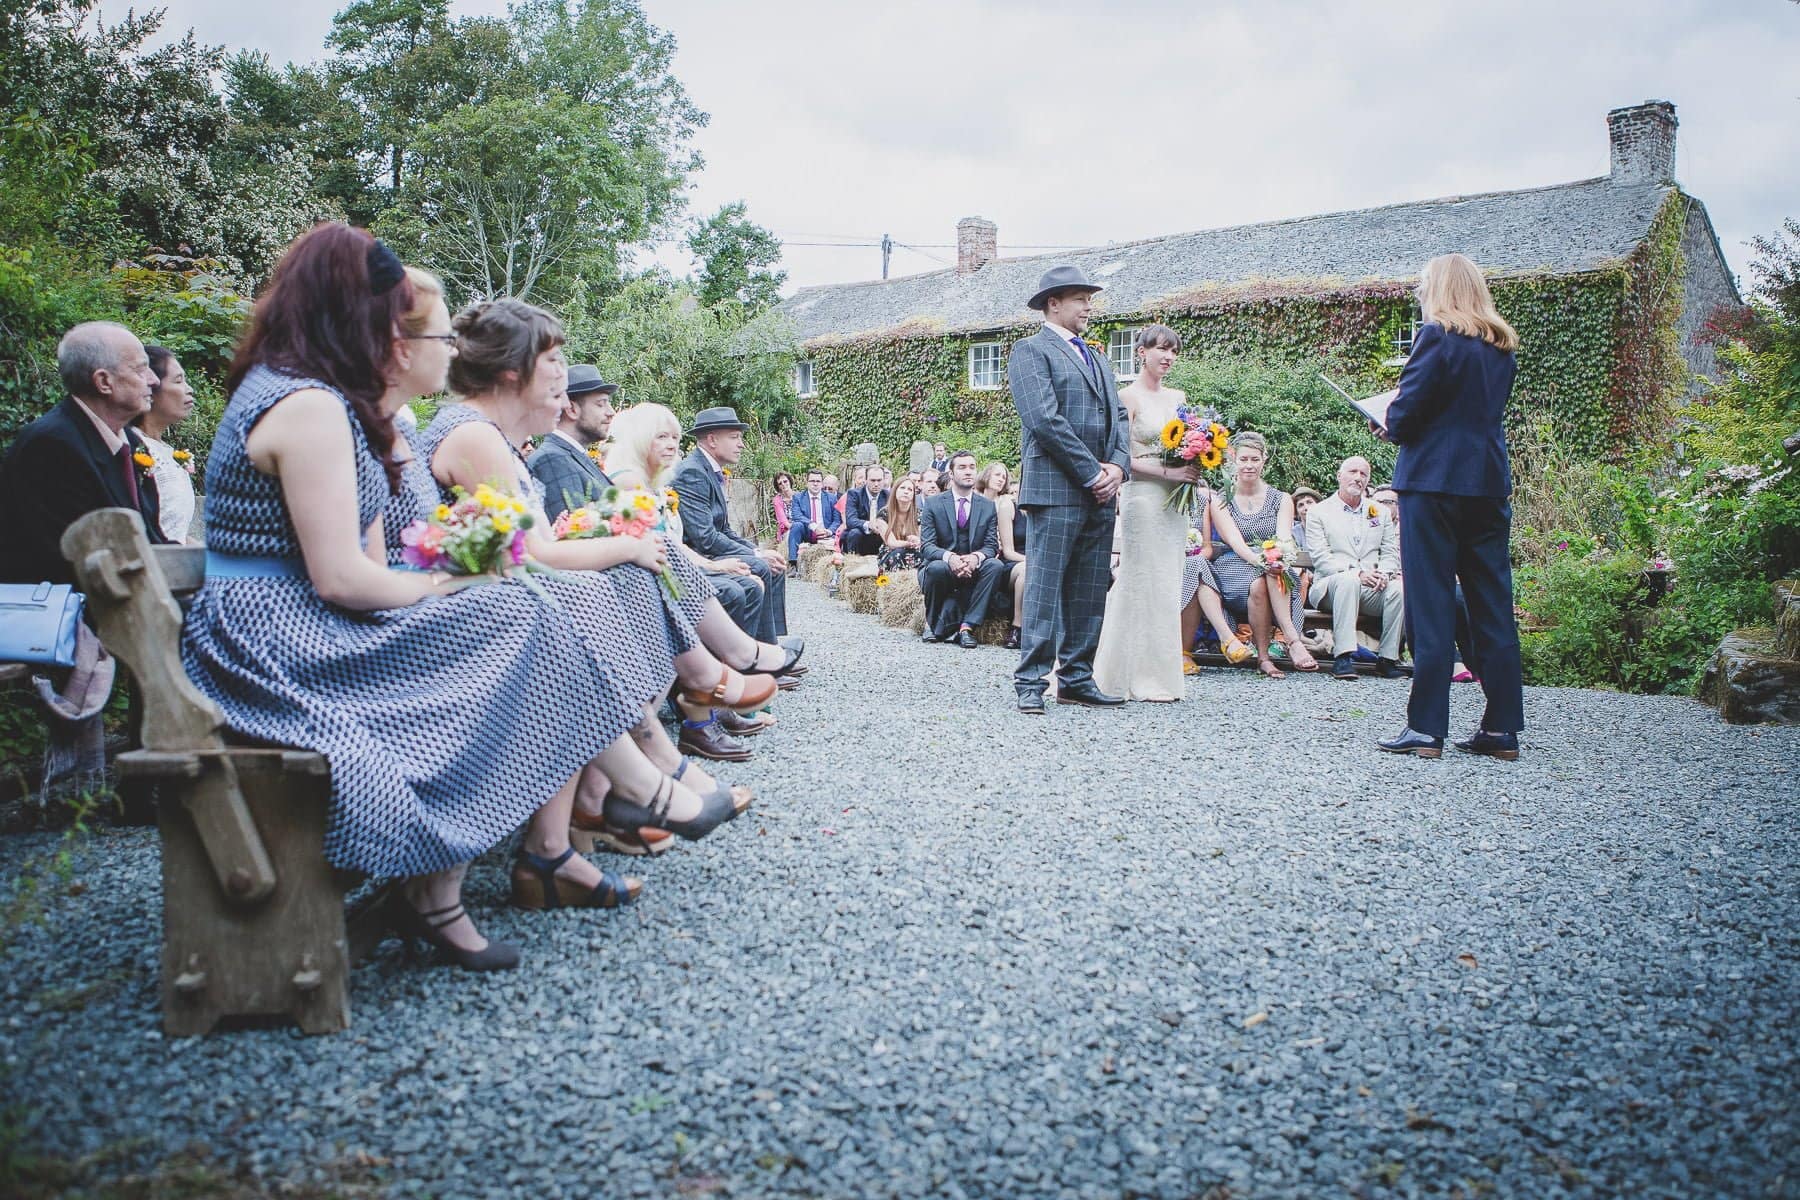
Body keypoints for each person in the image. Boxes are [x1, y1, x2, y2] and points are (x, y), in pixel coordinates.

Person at [181, 225, 686, 972]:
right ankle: (629, 787)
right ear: (372, 323)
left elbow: (373, 565)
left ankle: (478, 872)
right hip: (278, 647)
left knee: (524, 606)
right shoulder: (310, 408)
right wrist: (457, 580)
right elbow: (342, 579)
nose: (434, 344)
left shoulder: (325, 400)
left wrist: (457, 580)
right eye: (423, 327)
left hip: (303, 626)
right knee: (520, 609)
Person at [414, 298, 796, 766]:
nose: (561, 376)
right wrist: (626, 542)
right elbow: (535, 549)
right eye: (553, 361)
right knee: (627, 578)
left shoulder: (488, 436)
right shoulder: (480, 435)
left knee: (643, 564)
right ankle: (687, 713)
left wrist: (628, 540)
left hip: (501, 573)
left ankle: (685, 715)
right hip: (470, 592)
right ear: (515, 371)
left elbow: (537, 540)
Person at [1376, 252, 1526, 761]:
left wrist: (1389, 421)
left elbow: (1410, 409)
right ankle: (1502, 729)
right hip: (1485, 482)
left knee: (1430, 602)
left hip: (1433, 482)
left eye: (1423, 284)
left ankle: (1426, 729)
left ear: (1439, 288)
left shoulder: (1436, 335)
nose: (1419, 291)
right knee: (1492, 603)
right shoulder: (1501, 344)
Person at [605, 402, 778, 738]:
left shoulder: (651, 482)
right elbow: (685, 541)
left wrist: (725, 561)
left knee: (746, 578)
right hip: (638, 577)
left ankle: (726, 685)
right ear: (641, 440)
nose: (672, 445)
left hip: (662, 568)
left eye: (675, 437)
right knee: (737, 585)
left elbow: (675, 543)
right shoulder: (629, 483)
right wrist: (716, 564)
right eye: (661, 437)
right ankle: (730, 674)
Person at [1006, 265, 1131, 713]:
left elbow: (1120, 417)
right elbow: (1043, 420)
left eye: (1089, 298)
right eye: (1081, 298)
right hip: (1058, 490)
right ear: (1053, 304)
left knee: (1089, 589)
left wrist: (1117, 467)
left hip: (1101, 492)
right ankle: (1030, 682)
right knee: (1043, 587)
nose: (1089, 306)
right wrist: (1091, 473)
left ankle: (1077, 678)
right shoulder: (1030, 351)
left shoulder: (1097, 357)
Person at [0, 322, 170, 584]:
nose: (154, 380)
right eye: (140, 369)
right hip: (69, 611)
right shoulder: (50, 446)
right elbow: (69, 561)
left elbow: (152, 537)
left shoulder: (131, 442)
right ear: (104, 381)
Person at [1092, 325, 1195, 702]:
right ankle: (1115, 673)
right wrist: (1171, 472)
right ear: (1141, 352)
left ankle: (1160, 677)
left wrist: (1197, 461)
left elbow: (1187, 443)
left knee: (1167, 582)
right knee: (1138, 579)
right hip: (1144, 496)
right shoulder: (1127, 397)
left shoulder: (1179, 397)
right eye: (1160, 350)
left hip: (1175, 500)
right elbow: (1120, 458)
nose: (1167, 357)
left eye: (1173, 351)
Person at [1198, 432, 1320, 679]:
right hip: (1235, 564)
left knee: (1266, 580)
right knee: (1263, 577)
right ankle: (1292, 640)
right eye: (1244, 459)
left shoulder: (1281, 499)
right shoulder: (1222, 500)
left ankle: (1265, 657)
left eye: (1255, 459)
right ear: (1233, 460)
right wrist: (1262, 562)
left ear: (1264, 460)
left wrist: (1276, 558)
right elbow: (1235, 541)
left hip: (1271, 564)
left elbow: (1284, 537)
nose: (1249, 465)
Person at [671, 406, 790, 643]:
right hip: (698, 557)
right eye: (734, 437)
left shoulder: (709, 470)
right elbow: (705, 537)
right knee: (761, 566)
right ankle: (760, 655)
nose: (742, 444)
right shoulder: (692, 473)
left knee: (773, 564)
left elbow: (723, 529)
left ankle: (772, 643)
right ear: (713, 440)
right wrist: (755, 555)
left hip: (708, 551)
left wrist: (758, 551)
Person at [1303, 456, 1407, 681]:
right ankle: (1343, 656)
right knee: (1348, 580)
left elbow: (1390, 553)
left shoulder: (1379, 512)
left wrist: (1385, 575)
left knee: (1399, 590)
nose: (1358, 478)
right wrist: (1357, 572)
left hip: (1369, 587)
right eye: (1353, 472)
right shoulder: (1319, 512)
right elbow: (1322, 559)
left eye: (1363, 474)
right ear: (1339, 476)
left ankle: (1387, 659)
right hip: (1329, 586)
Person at [918, 450, 1007, 647]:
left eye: (972, 467)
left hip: (974, 567)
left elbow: (991, 545)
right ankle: (932, 624)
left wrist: (976, 558)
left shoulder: (987, 506)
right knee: (935, 568)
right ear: (951, 474)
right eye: (962, 467)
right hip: (944, 567)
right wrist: (950, 558)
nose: (968, 472)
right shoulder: (934, 504)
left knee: (995, 566)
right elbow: (927, 546)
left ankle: (967, 627)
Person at [525, 363, 618, 521]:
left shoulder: (569, 455)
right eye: (600, 404)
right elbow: (574, 533)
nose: (611, 412)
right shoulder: (552, 460)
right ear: (571, 409)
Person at [136, 345, 200, 544]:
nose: (189, 390)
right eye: (178, 381)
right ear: (150, 387)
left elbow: (176, 532)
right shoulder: (131, 448)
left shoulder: (168, 453)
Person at [993, 467, 1027, 650]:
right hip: (1014, 564)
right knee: (1027, 571)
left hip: (1041, 562)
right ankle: (1017, 627)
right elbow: (1008, 551)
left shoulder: (1046, 510)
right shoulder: (1009, 507)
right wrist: (1032, 562)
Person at [785, 469, 842, 564]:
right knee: (796, 525)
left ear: (822, 484)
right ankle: (793, 562)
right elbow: (796, 515)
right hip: (807, 533)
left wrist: (829, 531)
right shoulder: (798, 497)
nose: (815, 484)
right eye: (812, 481)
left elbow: (837, 521)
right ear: (806, 482)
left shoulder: (831, 498)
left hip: (826, 534)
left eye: (818, 481)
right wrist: (813, 526)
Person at [878, 474, 924, 572]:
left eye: (910, 490)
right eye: (902, 488)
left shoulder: (919, 514)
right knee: (898, 553)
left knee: (924, 556)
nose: (906, 491)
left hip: (914, 551)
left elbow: (921, 538)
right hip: (892, 551)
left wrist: (917, 540)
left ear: (913, 495)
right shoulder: (883, 514)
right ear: (895, 491)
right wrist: (909, 543)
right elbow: (891, 543)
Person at [840, 463, 889, 555]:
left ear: (884, 480)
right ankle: (851, 562)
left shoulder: (888, 496)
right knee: (854, 533)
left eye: (879, 480)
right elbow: (850, 520)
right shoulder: (854, 494)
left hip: (880, 535)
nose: (876, 484)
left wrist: (881, 527)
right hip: (860, 536)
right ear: (866, 480)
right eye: (872, 480)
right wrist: (869, 525)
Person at [770, 472, 795, 546]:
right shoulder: (777, 500)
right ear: (778, 487)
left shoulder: (799, 496)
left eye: (785, 481)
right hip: (787, 530)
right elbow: (784, 521)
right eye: (780, 483)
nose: (783, 484)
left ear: (789, 481)